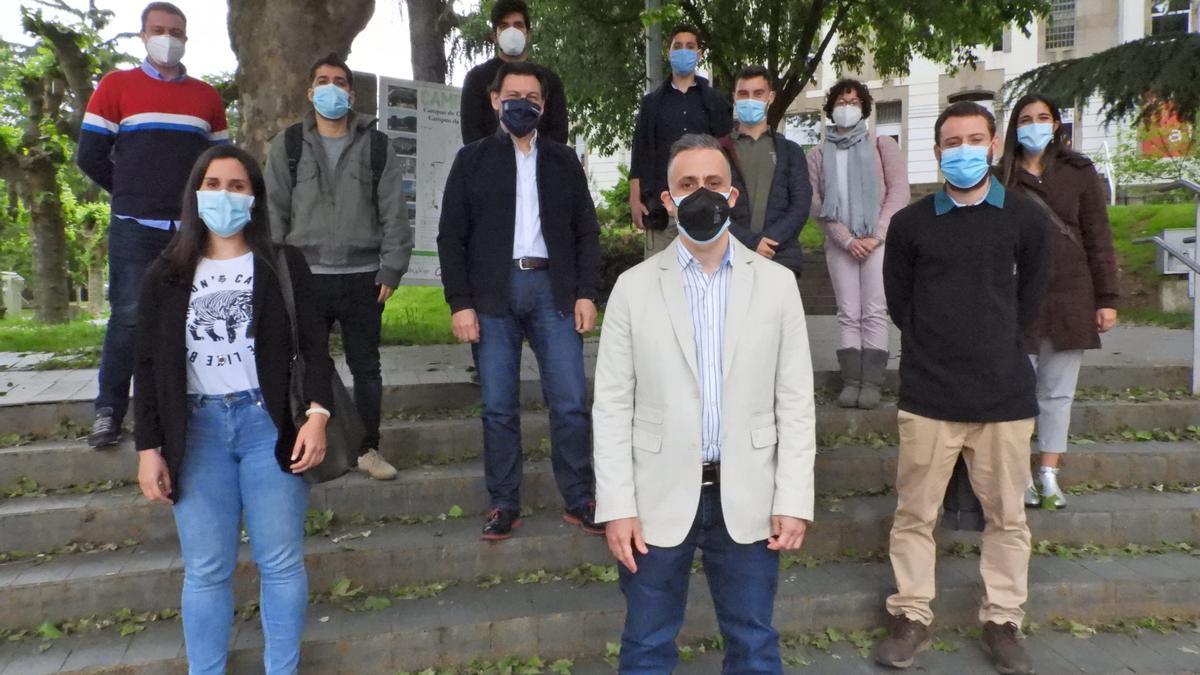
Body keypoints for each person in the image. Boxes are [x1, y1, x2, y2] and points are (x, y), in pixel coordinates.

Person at [595, 133, 817, 673]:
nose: (702, 194)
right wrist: (617, 506)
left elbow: (795, 401)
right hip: (655, 495)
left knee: (754, 643)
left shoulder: (779, 284)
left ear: (734, 195)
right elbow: (611, 405)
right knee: (646, 644)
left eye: (714, 183)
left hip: (750, 495)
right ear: (667, 200)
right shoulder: (632, 287)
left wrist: (794, 497)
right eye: (687, 185)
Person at [134, 145, 333, 674]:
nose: (225, 194)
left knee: (282, 562)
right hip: (196, 432)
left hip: (268, 426)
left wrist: (317, 414)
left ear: (254, 196)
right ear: (196, 193)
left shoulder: (282, 265)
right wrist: (148, 448)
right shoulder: (167, 273)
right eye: (215, 183)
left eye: (238, 185)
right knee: (205, 569)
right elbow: (148, 364)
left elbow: (314, 345)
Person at [873, 102, 1050, 675]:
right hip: (929, 395)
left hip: (1003, 397)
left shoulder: (1025, 220)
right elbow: (901, 304)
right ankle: (912, 616)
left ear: (994, 146)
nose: (965, 150)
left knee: (1007, 518)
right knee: (914, 514)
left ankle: (1002, 620)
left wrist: (994, 346)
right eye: (953, 141)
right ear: (937, 152)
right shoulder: (910, 224)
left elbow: (1032, 304)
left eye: (976, 139)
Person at [437, 61, 603, 541]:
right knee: (498, 407)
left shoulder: (563, 161)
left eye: (533, 97)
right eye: (513, 94)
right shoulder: (470, 161)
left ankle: (580, 497)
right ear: (494, 100)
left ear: (543, 105)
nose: (522, 103)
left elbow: (586, 232)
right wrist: (459, 303)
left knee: (571, 402)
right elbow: (452, 237)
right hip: (492, 297)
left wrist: (587, 292)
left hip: (553, 291)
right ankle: (503, 503)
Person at [77, 1, 229, 448]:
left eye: (177, 31)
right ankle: (108, 411)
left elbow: (219, 165)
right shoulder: (115, 86)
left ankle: (174, 408)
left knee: (186, 318)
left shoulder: (206, 97)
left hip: (188, 229)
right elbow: (89, 156)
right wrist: (128, 191)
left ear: (186, 38)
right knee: (127, 318)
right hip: (133, 225)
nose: (168, 37)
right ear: (142, 35)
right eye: (159, 29)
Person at [265, 52, 413, 481]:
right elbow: (274, 213)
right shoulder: (289, 145)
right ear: (311, 93)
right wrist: (277, 271)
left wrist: (392, 268)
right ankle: (302, 443)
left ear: (351, 92)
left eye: (341, 81)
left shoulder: (377, 145)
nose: (333, 88)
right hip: (304, 276)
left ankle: (368, 448)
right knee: (304, 363)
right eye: (323, 80)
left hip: (362, 277)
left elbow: (393, 213)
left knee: (366, 366)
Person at [998, 94, 1120, 510]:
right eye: (1026, 118)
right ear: (1015, 126)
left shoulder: (1079, 171)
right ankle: (1016, 476)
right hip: (1018, 295)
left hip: (1070, 292)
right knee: (1016, 389)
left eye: (1043, 117)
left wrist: (1106, 298)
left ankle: (1048, 473)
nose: (1034, 125)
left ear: (1056, 124)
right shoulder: (1002, 176)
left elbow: (1098, 237)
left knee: (1057, 392)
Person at [806, 79, 909, 410]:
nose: (847, 107)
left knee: (874, 310)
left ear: (864, 108)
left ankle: (872, 382)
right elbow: (815, 202)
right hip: (841, 245)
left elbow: (899, 193)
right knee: (848, 312)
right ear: (831, 108)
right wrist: (846, 239)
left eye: (853, 101)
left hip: (877, 243)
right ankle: (851, 381)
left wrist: (876, 236)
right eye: (841, 101)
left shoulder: (882, 145)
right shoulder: (819, 154)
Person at [629, 24, 733, 258]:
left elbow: (726, 154)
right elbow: (640, 153)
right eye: (678, 46)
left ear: (699, 54)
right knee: (658, 281)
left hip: (704, 206)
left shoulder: (715, 101)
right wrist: (635, 199)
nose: (683, 51)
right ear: (668, 52)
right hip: (661, 209)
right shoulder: (651, 104)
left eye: (690, 46)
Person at [722, 65, 812, 281]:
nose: (750, 99)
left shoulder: (791, 151)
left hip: (780, 258)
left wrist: (769, 240)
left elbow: (800, 206)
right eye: (743, 94)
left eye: (758, 93)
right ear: (734, 97)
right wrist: (751, 243)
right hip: (730, 258)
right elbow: (713, 206)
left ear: (770, 97)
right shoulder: (718, 151)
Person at [460, 0, 568, 144]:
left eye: (518, 25)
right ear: (494, 36)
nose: (511, 32)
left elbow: (558, 134)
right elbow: (471, 134)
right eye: (504, 26)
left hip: (540, 163)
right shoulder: (477, 79)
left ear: (528, 34)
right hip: (491, 164)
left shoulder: (549, 79)